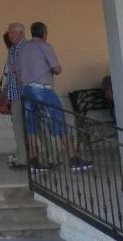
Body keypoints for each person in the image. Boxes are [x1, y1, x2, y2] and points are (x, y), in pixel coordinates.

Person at [13, 21, 93, 172]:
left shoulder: (23, 48)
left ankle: (34, 160)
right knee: (58, 122)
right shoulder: (44, 46)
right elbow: (56, 69)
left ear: (31, 32)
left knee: (31, 126)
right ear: (45, 34)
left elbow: (17, 71)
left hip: (26, 90)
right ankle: (73, 158)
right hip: (43, 91)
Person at [2, 23, 29, 168]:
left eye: (12, 33)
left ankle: (47, 157)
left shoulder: (27, 48)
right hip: (14, 94)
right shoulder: (12, 49)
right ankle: (22, 159)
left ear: (21, 33)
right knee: (18, 127)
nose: (10, 35)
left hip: (26, 93)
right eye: (9, 33)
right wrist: (7, 93)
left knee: (35, 126)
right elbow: (9, 73)